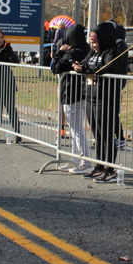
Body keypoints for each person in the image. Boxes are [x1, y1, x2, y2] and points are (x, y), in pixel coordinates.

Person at [73, 21, 128, 183]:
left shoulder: (111, 52)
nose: (92, 41)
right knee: (97, 134)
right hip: (91, 97)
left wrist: (85, 70)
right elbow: (84, 64)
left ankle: (110, 169)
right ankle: (100, 166)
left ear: (102, 38)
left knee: (106, 135)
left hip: (106, 98)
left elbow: (107, 69)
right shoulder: (93, 53)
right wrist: (77, 65)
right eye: (91, 38)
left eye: (95, 38)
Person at [52, 23, 92, 173]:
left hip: (72, 95)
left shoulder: (74, 52)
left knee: (77, 130)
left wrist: (59, 52)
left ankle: (86, 163)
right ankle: (75, 160)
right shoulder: (87, 49)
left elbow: (55, 68)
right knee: (76, 129)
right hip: (80, 94)